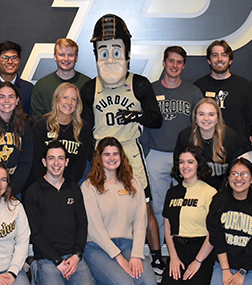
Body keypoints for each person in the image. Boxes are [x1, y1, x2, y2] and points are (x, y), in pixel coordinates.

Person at [79, 14, 165, 273]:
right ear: (95, 54)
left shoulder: (138, 83)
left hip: (129, 149)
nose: (110, 57)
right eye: (103, 51)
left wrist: (135, 115)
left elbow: (156, 119)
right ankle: (104, 253)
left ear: (127, 51)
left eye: (116, 50)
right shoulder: (89, 87)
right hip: (100, 151)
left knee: (144, 203)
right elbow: (83, 127)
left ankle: (157, 255)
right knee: (99, 205)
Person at [140, 45, 203, 247]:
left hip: (183, 156)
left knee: (183, 205)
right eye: (171, 61)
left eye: (179, 62)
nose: (174, 65)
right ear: (164, 63)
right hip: (156, 154)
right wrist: (147, 151)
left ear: (183, 66)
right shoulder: (151, 89)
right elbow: (142, 123)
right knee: (157, 206)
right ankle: (157, 250)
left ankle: (180, 249)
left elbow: (200, 124)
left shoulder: (193, 92)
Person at [81, 137, 156, 285]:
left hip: (127, 244)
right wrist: (118, 256)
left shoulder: (134, 183)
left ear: (121, 156)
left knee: (148, 282)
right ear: (99, 158)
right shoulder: (89, 187)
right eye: (107, 154)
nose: (112, 158)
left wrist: (136, 255)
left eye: (115, 154)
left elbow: (141, 221)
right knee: (125, 283)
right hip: (98, 247)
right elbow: (95, 229)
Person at [24, 141, 94, 285]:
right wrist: (57, 260)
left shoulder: (74, 189)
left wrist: (77, 256)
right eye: (51, 158)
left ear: (67, 162)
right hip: (46, 259)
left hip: (73, 258)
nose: (56, 163)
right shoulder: (33, 191)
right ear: (44, 162)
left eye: (60, 158)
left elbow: (82, 224)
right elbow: (34, 232)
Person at [206, 158, 252, 285]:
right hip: (224, 265)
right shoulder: (218, 202)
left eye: (244, 174)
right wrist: (225, 269)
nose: (238, 178)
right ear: (228, 178)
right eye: (234, 174)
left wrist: (242, 272)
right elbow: (216, 237)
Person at [161, 146, 216, 285]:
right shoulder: (172, 193)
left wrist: (197, 262)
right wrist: (173, 257)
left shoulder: (209, 192)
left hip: (201, 251)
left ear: (199, 164)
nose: (185, 166)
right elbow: (167, 228)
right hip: (177, 251)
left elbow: (213, 232)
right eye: (181, 162)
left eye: (190, 162)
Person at [31, 83, 94, 184]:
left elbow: (80, 165)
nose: (69, 102)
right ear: (57, 99)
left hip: (71, 185)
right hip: (43, 185)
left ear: (78, 103)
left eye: (74, 99)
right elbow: (36, 163)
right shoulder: (41, 126)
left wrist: (66, 186)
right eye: (65, 97)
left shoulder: (83, 128)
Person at [173, 98, 244, 189]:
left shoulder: (231, 137)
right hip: (194, 189)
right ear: (195, 118)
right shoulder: (185, 136)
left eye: (211, 114)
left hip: (223, 190)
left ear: (218, 118)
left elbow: (237, 169)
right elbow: (178, 168)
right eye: (201, 114)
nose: (206, 119)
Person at [193, 40, 252, 137]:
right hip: (206, 145)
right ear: (209, 61)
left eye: (224, 55)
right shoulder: (199, 86)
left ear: (230, 60)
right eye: (215, 55)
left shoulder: (243, 85)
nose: (219, 59)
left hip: (237, 147)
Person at [31, 38, 92, 119]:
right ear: (55, 57)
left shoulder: (88, 84)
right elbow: (37, 119)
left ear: (76, 58)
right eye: (61, 55)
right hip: (50, 131)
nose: (66, 59)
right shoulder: (42, 85)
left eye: (70, 55)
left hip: (80, 131)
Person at [0, 41, 34, 116]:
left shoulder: (28, 88)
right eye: (5, 58)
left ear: (19, 61)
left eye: (14, 58)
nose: (10, 62)